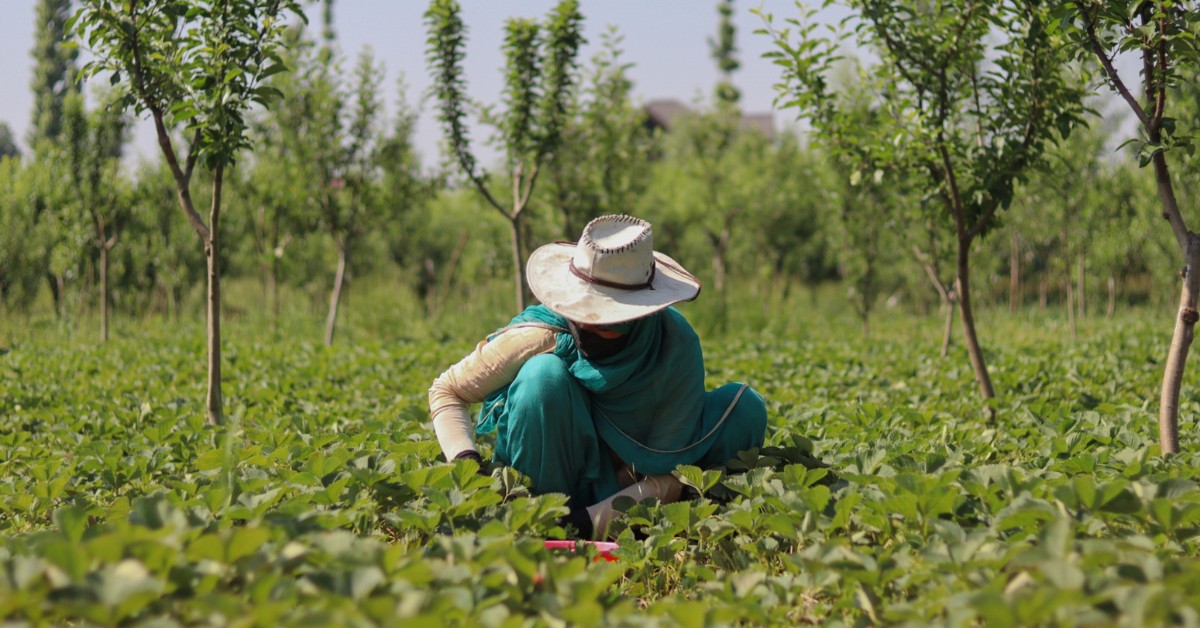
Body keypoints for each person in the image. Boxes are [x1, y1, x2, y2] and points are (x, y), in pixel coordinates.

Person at [428, 214, 767, 539]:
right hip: (545, 484)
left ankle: (652, 523)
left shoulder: (672, 346)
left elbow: (673, 471)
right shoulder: (543, 333)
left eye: (604, 320)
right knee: (543, 377)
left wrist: (589, 523)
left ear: (638, 316)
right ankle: (535, 520)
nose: (586, 325)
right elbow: (446, 391)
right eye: (580, 313)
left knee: (744, 408)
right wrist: (467, 463)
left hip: (629, 489)